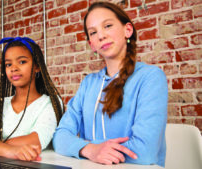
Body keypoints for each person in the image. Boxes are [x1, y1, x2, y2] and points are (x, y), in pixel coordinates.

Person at [53, 2, 168, 167]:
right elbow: (60, 137)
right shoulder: (88, 83)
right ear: (92, 44)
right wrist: (91, 149)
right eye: (93, 32)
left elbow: (144, 151)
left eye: (107, 26)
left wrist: (88, 146)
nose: (101, 36)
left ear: (127, 30)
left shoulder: (151, 77)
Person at [0, 37, 63, 161]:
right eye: (8, 64)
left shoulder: (50, 102)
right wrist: (11, 151)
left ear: (37, 67)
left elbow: (36, 140)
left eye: (22, 62)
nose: (13, 68)